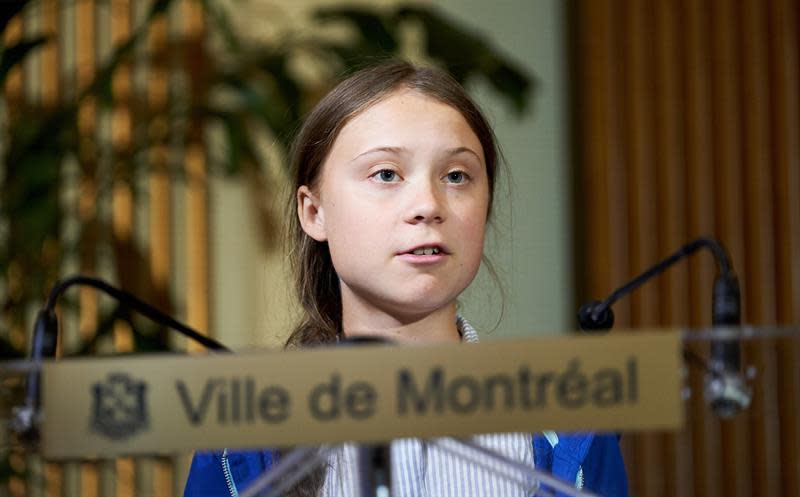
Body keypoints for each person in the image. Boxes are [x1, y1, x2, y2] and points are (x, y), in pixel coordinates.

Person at [184, 60, 628, 497]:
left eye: (456, 176)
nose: (428, 205)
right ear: (314, 212)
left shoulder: (571, 433)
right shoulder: (243, 445)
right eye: (386, 174)